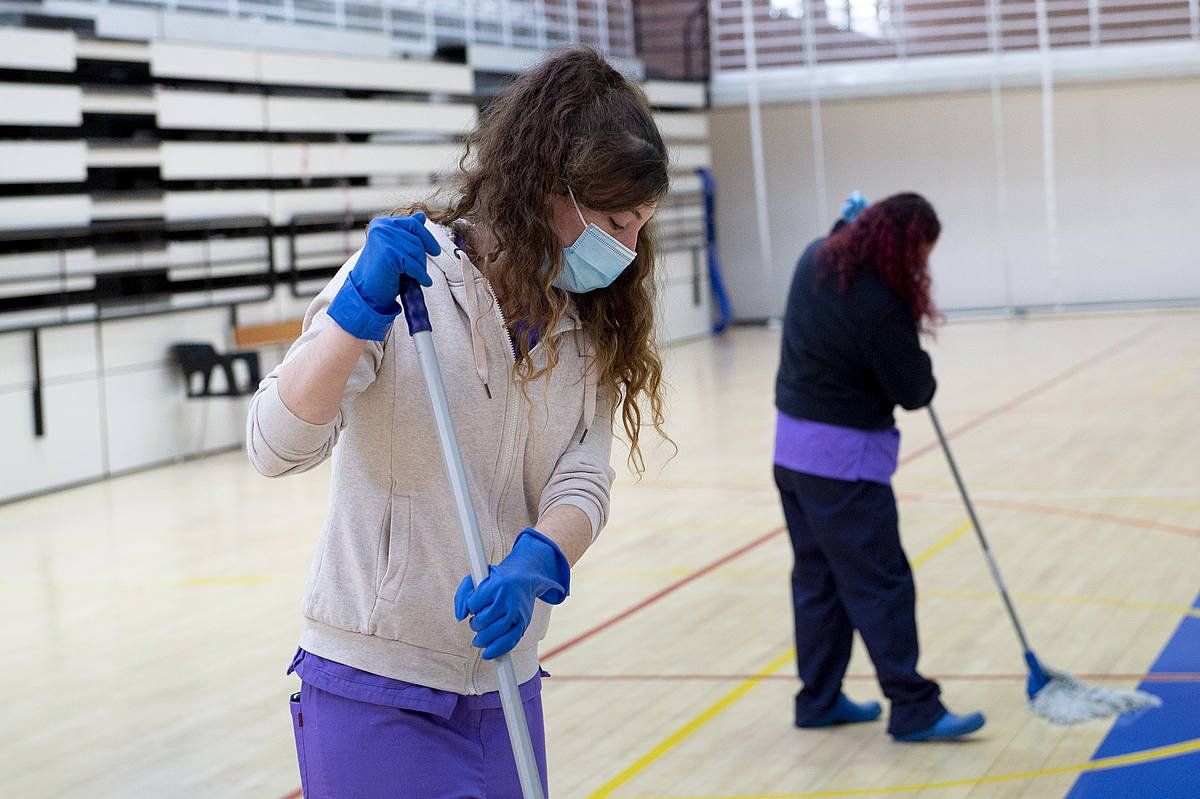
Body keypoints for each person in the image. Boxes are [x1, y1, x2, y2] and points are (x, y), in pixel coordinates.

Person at [247, 48, 668, 797]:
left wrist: (542, 555)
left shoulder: (588, 321)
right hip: (377, 684)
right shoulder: (410, 284)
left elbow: (584, 472)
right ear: (548, 186)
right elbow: (275, 445)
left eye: (639, 226)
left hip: (504, 682)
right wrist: (351, 320)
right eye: (613, 221)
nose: (628, 250)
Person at [773, 192, 986, 742]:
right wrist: (922, 361)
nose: (921, 268)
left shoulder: (813, 256)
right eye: (920, 254)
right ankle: (914, 708)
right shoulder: (877, 302)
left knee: (818, 582)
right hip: (845, 467)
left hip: (792, 455)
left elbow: (841, 230)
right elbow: (914, 390)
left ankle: (817, 700)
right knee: (881, 583)